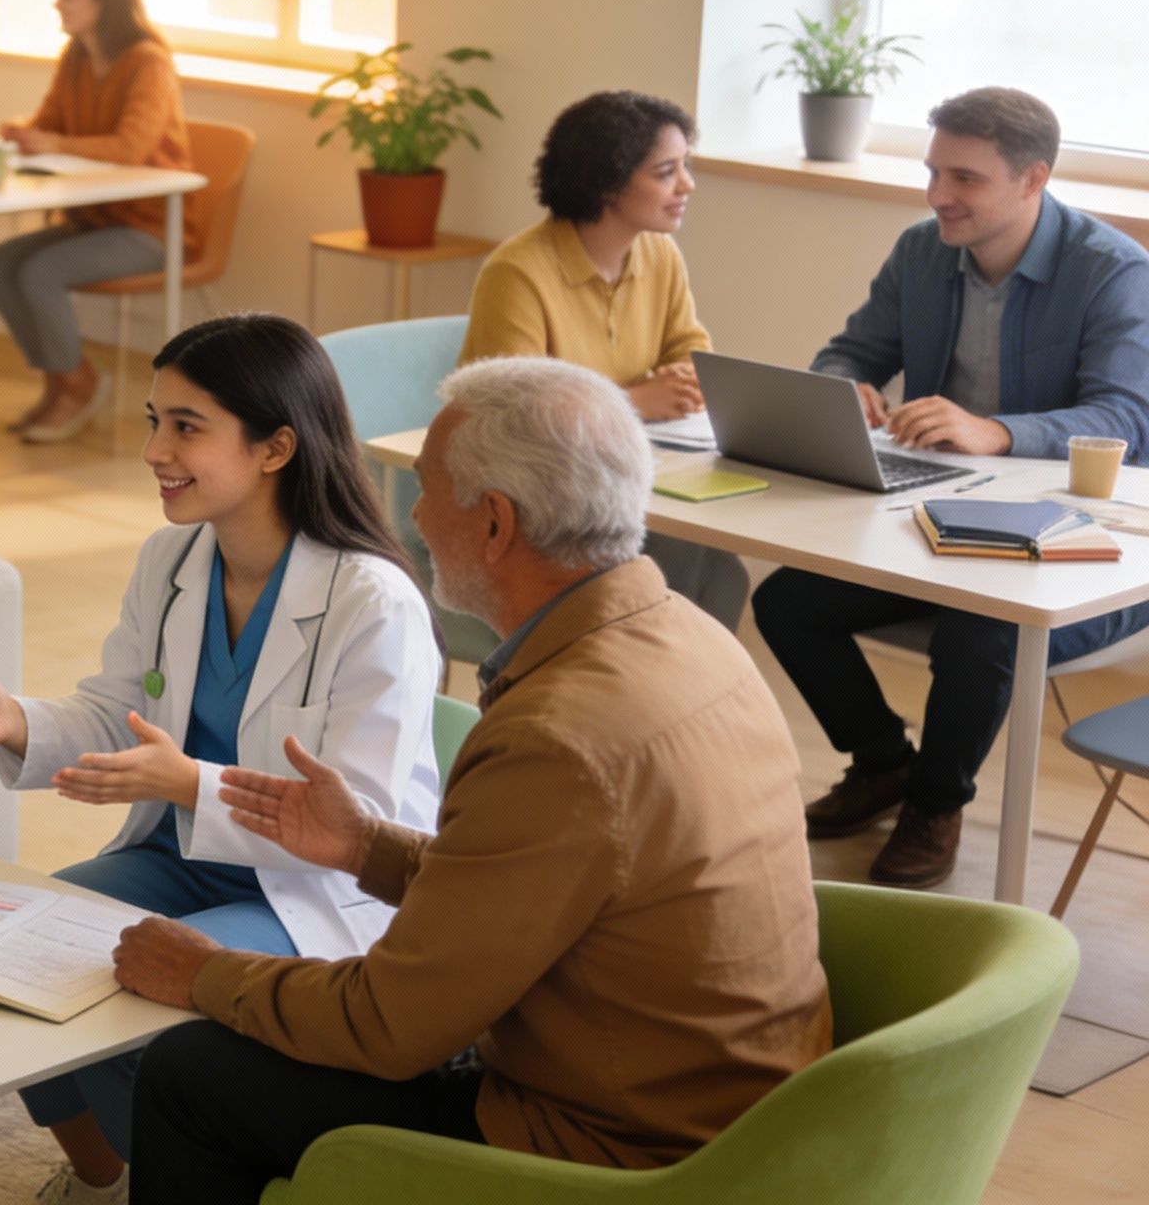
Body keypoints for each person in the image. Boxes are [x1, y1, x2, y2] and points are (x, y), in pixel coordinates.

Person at [111, 356, 832, 1204]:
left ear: (495, 524)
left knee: (189, 1074)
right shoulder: (698, 638)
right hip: (731, 1099)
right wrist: (366, 846)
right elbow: (533, 888)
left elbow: (387, 1026)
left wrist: (204, 973)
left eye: (423, 489)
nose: (408, 516)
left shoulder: (557, 738)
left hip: (616, 1142)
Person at [0, 313, 441, 1204]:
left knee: (121, 982)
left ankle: (198, 1177)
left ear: (275, 447)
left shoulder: (374, 603)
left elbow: (356, 823)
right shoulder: (172, 558)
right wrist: (15, 721)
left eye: (185, 426)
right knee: (3, 949)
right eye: (152, 420)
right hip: (175, 859)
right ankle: (101, 1176)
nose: (152, 449)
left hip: (308, 895)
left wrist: (191, 783)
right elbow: (118, 713)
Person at [752, 86, 1149, 888]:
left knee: (982, 633)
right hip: (939, 518)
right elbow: (849, 351)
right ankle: (883, 762)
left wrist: (997, 431)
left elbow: (1127, 416)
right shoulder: (921, 252)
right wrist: (845, 388)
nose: (938, 195)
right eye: (935, 171)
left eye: (964, 178)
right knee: (786, 602)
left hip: (1076, 542)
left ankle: (937, 802)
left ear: (1033, 179)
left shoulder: (1114, 271)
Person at [459, 90, 749, 627]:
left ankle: (672, 708)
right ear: (607, 182)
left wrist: (684, 379)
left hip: (625, 476)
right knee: (680, 562)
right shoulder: (517, 273)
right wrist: (632, 401)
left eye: (685, 166)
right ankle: (635, 701)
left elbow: (690, 348)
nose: (686, 185)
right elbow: (513, 419)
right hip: (537, 500)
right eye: (667, 172)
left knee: (723, 573)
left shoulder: (658, 252)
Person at [0, 0, 201, 444]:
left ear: (104, 0)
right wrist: (23, 132)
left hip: (150, 229)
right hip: (95, 220)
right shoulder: (76, 56)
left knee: (40, 271)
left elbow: (131, 147)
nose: (57, 4)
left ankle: (79, 384)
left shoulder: (149, 62)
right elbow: (49, 122)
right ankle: (61, 380)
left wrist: (54, 143)